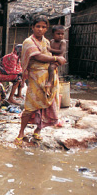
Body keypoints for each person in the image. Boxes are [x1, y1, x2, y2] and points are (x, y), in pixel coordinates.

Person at [15, 15, 66, 145]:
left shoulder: (47, 42)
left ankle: (38, 130)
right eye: (38, 26)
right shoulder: (28, 42)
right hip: (35, 77)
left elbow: (51, 54)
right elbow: (38, 56)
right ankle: (21, 132)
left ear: (46, 29)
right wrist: (56, 59)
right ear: (32, 27)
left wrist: (56, 62)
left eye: (43, 27)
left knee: (46, 105)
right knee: (30, 105)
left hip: (49, 76)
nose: (40, 29)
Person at [45, 25, 67, 97]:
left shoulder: (63, 42)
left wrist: (50, 50)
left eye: (62, 34)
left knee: (51, 68)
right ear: (53, 34)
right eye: (58, 34)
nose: (60, 36)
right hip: (52, 58)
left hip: (59, 59)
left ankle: (49, 82)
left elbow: (61, 51)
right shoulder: (51, 41)